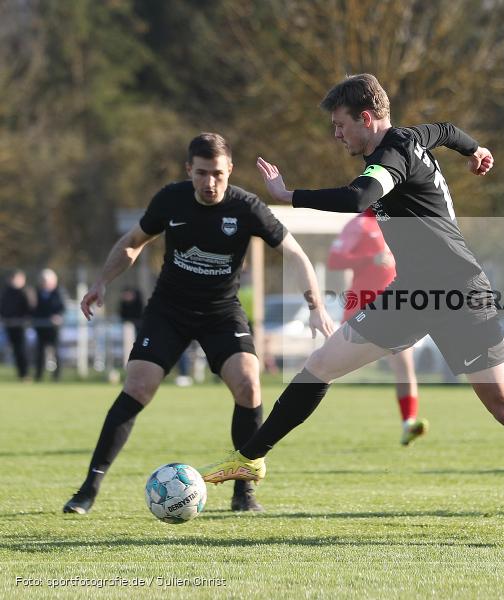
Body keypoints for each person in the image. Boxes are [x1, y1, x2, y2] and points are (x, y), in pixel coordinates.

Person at [201, 74, 504, 536]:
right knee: (320, 365)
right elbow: (448, 130)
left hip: (458, 292)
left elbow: (359, 198)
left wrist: (288, 196)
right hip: (410, 293)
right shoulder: (412, 136)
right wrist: (475, 149)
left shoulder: (391, 156)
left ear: (366, 118)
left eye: (340, 125)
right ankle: (252, 458)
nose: (336, 135)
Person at [63, 133, 334, 515]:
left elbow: (294, 252)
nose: (210, 183)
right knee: (138, 386)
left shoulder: (246, 207)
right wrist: (101, 282)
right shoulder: (170, 199)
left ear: (230, 171)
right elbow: (132, 241)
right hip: (169, 310)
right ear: (189, 170)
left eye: (218, 174)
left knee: (248, 382)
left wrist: (315, 304)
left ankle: (244, 492)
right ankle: (88, 488)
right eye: (202, 173)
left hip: (221, 312)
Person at [328, 208, 429, 445]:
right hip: (362, 309)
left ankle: (408, 424)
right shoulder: (360, 224)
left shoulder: (397, 223)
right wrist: (369, 260)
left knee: (405, 368)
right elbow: (334, 260)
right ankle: (295, 407)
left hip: (394, 310)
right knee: (328, 368)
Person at [33, 268, 66, 381]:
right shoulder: (37, 292)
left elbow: (62, 307)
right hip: (41, 326)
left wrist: (57, 316)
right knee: (40, 352)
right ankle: (38, 376)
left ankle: (57, 376)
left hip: (54, 328)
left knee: (56, 351)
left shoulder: (59, 292)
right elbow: (34, 308)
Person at [0, 269, 31, 381]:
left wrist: (23, 319)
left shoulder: (25, 291)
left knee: (22, 350)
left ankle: (25, 374)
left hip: (22, 326)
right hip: (9, 325)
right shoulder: (6, 292)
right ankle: (20, 374)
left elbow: (30, 308)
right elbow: (3, 307)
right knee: (14, 351)